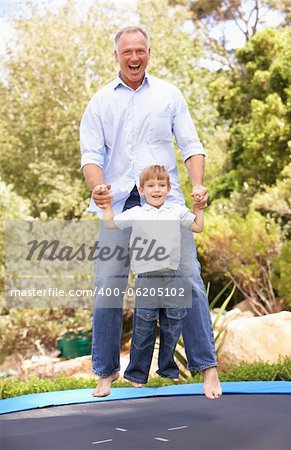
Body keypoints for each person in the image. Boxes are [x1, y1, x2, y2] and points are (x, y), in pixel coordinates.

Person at [80, 26, 222, 399]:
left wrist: (196, 185)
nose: (134, 57)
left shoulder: (168, 95)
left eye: (140, 51)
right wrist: (98, 187)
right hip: (121, 205)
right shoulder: (99, 102)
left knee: (189, 281)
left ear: (149, 52)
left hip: (165, 205)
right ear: (116, 56)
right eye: (127, 52)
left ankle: (207, 368)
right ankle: (106, 373)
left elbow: (192, 145)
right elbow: (91, 157)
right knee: (108, 287)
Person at [98, 165, 204, 386]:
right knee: (144, 327)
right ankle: (137, 373)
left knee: (172, 325)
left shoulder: (176, 210)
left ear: (168, 188)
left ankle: (167, 367)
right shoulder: (136, 213)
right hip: (147, 278)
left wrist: (198, 207)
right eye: (151, 186)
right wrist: (107, 205)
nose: (156, 190)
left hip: (174, 277)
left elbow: (197, 226)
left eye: (161, 185)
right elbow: (110, 224)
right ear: (142, 189)